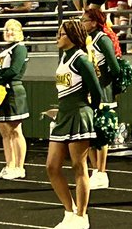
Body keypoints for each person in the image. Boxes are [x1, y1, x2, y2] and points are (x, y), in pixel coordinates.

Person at [47, 19, 103, 229]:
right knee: (52, 166)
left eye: (61, 34)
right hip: (63, 115)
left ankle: (82, 216)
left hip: (79, 115)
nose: (57, 37)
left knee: (79, 166)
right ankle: (68, 212)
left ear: (72, 36)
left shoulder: (81, 59)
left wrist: (89, 112)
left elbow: (96, 92)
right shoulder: (64, 58)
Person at [81, 5, 122, 189]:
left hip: (103, 89)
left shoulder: (102, 39)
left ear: (95, 22)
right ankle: (94, 169)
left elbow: (115, 67)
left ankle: (102, 172)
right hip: (88, 89)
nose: (82, 24)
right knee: (89, 132)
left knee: (102, 132)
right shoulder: (88, 39)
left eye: (85, 21)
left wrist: (107, 82)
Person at [0, 18, 30, 179]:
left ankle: (20, 167)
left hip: (12, 91)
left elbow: (14, 71)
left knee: (15, 131)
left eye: (12, 29)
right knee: (5, 132)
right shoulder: (5, 50)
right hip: (0, 92)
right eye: (6, 29)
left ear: (20, 33)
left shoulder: (20, 48)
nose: (9, 32)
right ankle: (9, 165)